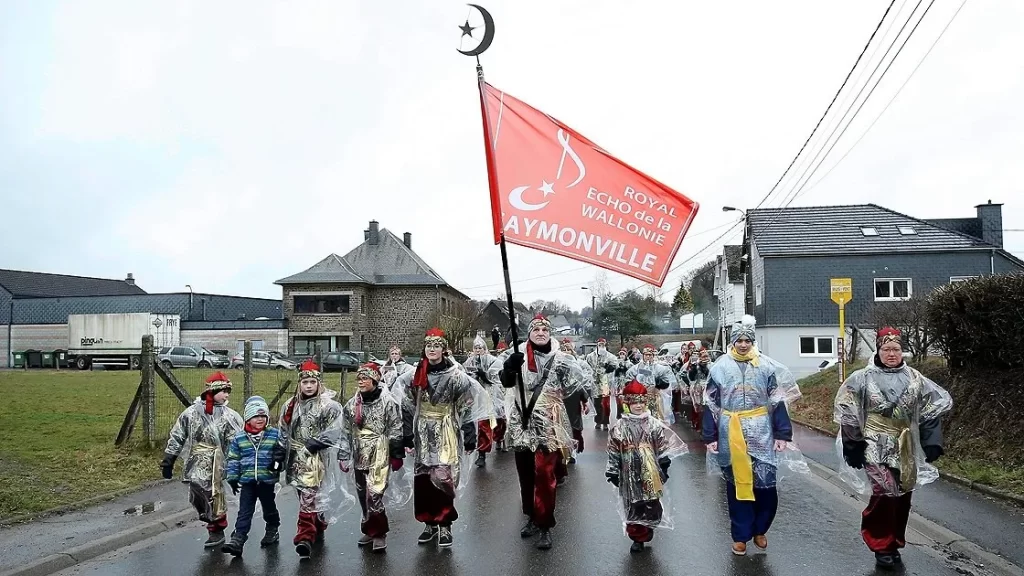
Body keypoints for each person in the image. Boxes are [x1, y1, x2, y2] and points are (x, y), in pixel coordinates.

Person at [834, 327, 952, 570]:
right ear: (878, 350)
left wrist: (932, 442)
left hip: (905, 443)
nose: (891, 353)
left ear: (902, 351)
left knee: (903, 495)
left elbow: (930, 412)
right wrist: (853, 444)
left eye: (896, 349)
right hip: (874, 442)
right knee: (884, 492)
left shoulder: (915, 378)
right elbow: (848, 411)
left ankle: (894, 541)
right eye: (886, 349)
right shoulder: (861, 378)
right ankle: (880, 544)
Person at [703, 315, 802, 556]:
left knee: (766, 485)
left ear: (753, 342)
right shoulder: (719, 367)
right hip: (730, 430)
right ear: (733, 342)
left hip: (761, 430)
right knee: (737, 484)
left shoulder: (766, 367)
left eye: (748, 340)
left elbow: (777, 401)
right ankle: (740, 535)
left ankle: (760, 529)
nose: (744, 344)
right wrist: (710, 435)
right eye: (740, 340)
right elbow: (709, 402)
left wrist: (782, 433)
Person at [393, 328, 491, 549]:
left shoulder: (456, 375)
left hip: (446, 427)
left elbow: (466, 406)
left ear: (444, 349)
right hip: (422, 429)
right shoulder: (414, 374)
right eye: (429, 346)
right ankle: (428, 522)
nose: (432, 349)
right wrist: (407, 435)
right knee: (423, 477)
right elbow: (406, 406)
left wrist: (469, 435)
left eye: (437, 346)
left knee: (444, 475)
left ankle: (445, 523)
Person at [498, 314, 584, 550]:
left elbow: (574, 385)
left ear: (550, 334)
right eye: (536, 329)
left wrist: (554, 401)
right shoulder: (517, 356)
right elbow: (505, 382)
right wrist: (510, 367)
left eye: (545, 330)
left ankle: (545, 524)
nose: (540, 333)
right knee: (525, 473)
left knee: (545, 475)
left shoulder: (561, 359)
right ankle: (531, 517)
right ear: (529, 333)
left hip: (548, 423)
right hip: (522, 421)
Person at [161, 371, 243, 548]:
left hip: (218, 463)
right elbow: (178, 435)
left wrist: (235, 466)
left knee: (215, 494)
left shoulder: (230, 416)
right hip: (196, 459)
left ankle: (217, 529)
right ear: (212, 391)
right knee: (198, 492)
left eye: (228, 391)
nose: (227, 395)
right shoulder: (191, 413)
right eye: (223, 391)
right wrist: (169, 458)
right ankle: (209, 520)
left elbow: (236, 441)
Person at [606, 380, 688, 553]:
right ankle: (637, 537)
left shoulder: (653, 424)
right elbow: (613, 450)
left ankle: (648, 527)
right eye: (634, 402)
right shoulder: (619, 427)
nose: (638, 406)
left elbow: (662, 445)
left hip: (650, 469)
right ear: (627, 403)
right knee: (633, 503)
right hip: (628, 470)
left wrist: (664, 463)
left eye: (642, 402)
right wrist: (613, 470)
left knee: (651, 501)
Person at [280, 359, 346, 559]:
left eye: (312, 382)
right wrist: (280, 454)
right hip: (297, 457)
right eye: (305, 382)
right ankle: (318, 522)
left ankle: (304, 537)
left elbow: (336, 429)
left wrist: (316, 444)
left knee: (309, 496)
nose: (308, 386)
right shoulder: (290, 405)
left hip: (317, 456)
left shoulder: (329, 406)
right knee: (304, 496)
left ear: (319, 384)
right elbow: (284, 430)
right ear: (299, 384)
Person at [337, 362, 405, 553]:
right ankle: (369, 528)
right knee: (362, 494)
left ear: (375, 380)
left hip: (380, 452)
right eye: (359, 378)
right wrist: (343, 454)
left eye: (365, 378)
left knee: (374, 494)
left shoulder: (387, 402)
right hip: (360, 454)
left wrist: (396, 453)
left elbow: (395, 427)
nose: (361, 382)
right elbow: (345, 431)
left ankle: (379, 533)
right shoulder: (352, 405)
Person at [221, 396, 285, 557]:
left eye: (263, 416)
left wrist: (277, 465)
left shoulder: (274, 434)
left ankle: (272, 528)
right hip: (248, 481)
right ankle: (238, 539)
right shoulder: (239, 437)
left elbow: (281, 455)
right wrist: (233, 477)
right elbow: (234, 459)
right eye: (256, 416)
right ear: (248, 418)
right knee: (245, 510)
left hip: (266, 480)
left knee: (268, 507)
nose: (260, 419)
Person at [463, 336, 504, 467]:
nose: (478, 350)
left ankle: (499, 438)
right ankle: (482, 452)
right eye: (475, 348)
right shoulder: (469, 362)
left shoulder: (494, 361)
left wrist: (484, 376)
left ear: (485, 349)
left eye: (480, 347)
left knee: (498, 421)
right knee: (483, 425)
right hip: (477, 399)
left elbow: (497, 380)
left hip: (491, 396)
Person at [559, 337, 593, 461]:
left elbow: (581, 384)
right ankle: (562, 451)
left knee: (573, 426)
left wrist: (585, 401)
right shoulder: (555, 365)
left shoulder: (578, 366)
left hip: (572, 402)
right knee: (560, 426)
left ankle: (572, 451)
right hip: (557, 401)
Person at [624, 345, 676, 422]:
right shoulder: (636, 368)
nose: (648, 357)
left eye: (650, 355)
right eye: (646, 355)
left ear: (653, 356)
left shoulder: (660, 368)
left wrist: (658, 383)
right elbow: (627, 380)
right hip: (640, 398)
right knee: (641, 419)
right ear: (643, 355)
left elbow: (667, 382)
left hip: (655, 397)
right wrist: (636, 385)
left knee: (655, 419)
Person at [584, 338, 619, 431]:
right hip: (595, 383)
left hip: (605, 383)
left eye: (603, 344)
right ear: (597, 345)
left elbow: (615, 365)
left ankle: (606, 423)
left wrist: (609, 367)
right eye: (600, 344)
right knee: (597, 404)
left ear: (605, 345)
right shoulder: (590, 356)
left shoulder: (610, 356)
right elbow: (586, 367)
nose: (601, 346)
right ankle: (598, 421)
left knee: (606, 404)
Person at [612, 348, 630, 419]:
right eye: (621, 354)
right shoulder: (616, 363)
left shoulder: (629, 363)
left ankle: (626, 414)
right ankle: (619, 414)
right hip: (618, 385)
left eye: (623, 354)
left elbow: (631, 373)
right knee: (618, 400)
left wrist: (625, 368)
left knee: (626, 400)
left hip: (626, 385)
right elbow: (614, 375)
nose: (622, 356)